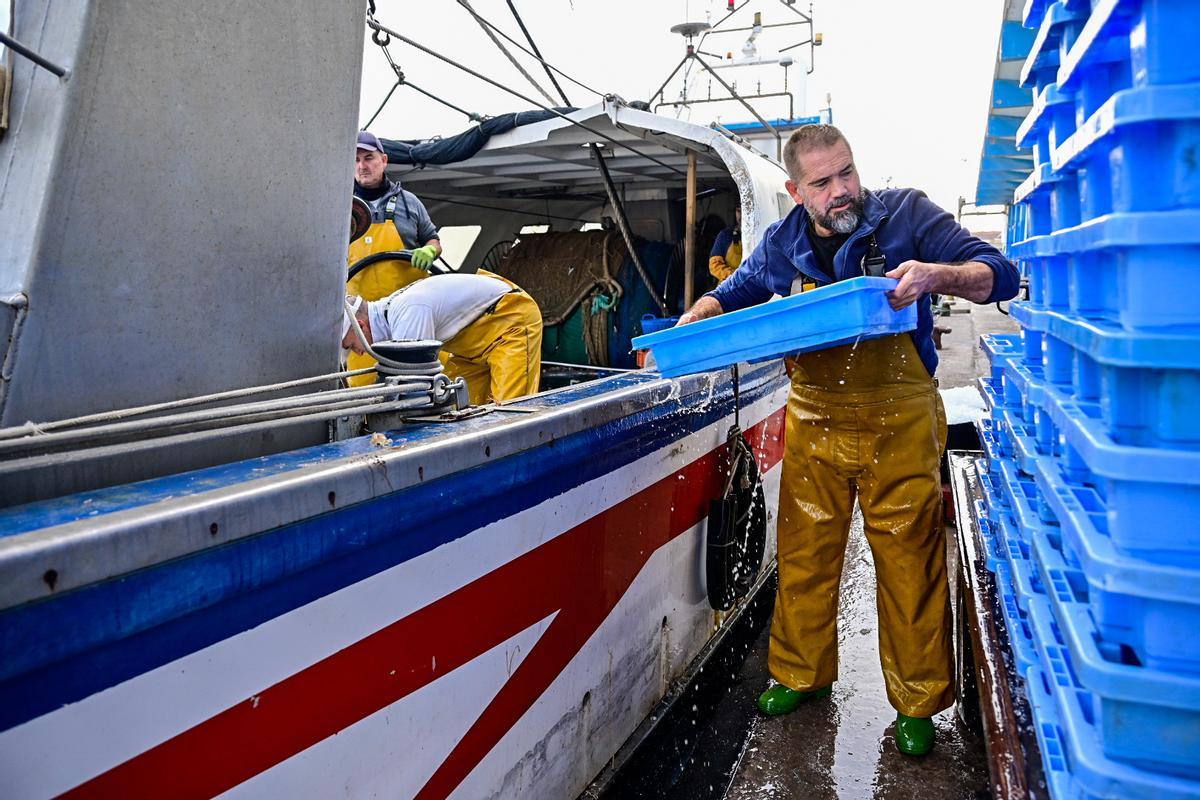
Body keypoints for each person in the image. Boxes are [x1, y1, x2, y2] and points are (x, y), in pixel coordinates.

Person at [677, 124, 1019, 757]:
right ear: (795, 190)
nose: (842, 191)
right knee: (804, 553)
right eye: (823, 182)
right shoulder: (782, 242)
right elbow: (735, 293)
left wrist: (938, 274)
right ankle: (800, 674)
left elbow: (999, 275)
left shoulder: (909, 214)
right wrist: (701, 313)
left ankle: (917, 702)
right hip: (815, 415)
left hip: (901, 415)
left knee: (909, 555)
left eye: (847, 173)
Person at [342, 271, 543, 405]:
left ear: (361, 325)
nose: (357, 352)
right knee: (460, 410)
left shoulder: (409, 312)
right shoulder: (395, 312)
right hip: (470, 351)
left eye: (351, 345)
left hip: (510, 323)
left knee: (509, 413)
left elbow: (415, 387)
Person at [347, 130, 443, 386]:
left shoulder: (409, 203)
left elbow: (433, 239)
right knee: (363, 398)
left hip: (410, 320)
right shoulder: (342, 206)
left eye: (368, 158)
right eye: (355, 159)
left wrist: (429, 251)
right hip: (362, 330)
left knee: (415, 387)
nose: (362, 166)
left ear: (384, 161)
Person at [708, 205, 743, 283]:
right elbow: (714, 266)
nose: (741, 215)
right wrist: (736, 278)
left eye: (744, 209)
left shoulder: (760, 235)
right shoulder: (726, 235)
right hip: (728, 290)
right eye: (738, 210)